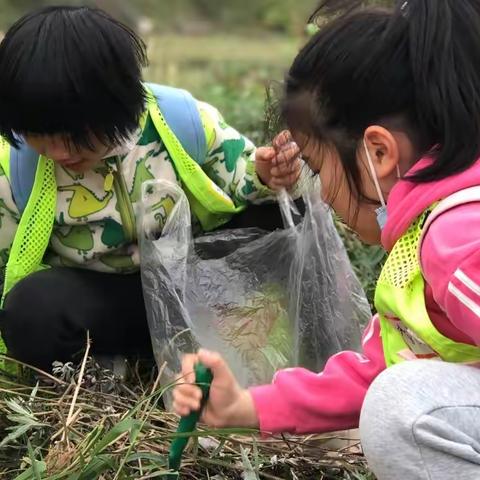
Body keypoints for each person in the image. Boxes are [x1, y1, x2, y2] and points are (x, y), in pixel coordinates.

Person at [173, 1, 480, 478]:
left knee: (401, 409)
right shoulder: (424, 239)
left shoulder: (459, 238)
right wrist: (245, 408)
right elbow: (380, 370)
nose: (322, 196)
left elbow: (395, 389)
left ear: (378, 153)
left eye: (318, 170)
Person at [0, 6, 303, 373]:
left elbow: (243, 180)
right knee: (29, 310)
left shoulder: (181, 121)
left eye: (75, 137)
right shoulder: (15, 167)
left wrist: (266, 176)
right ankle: (118, 363)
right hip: (108, 304)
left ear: (116, 104)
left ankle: (240, 336)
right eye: (41, 138)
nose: (61, 153)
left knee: (288, 213)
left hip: (195, 282)